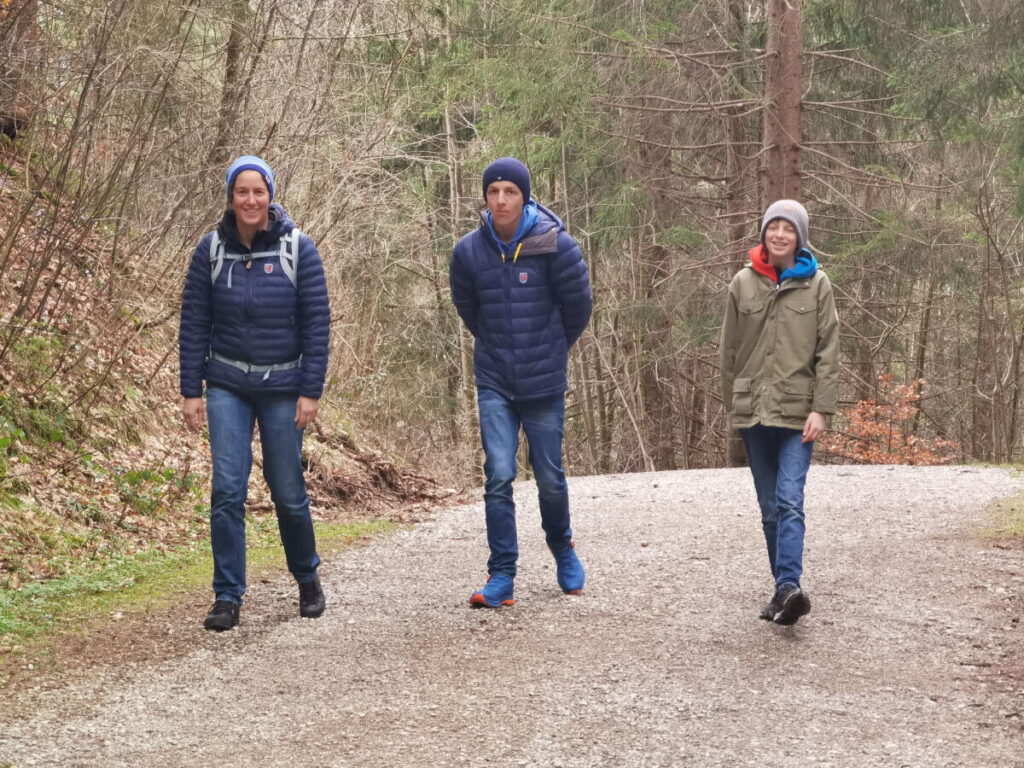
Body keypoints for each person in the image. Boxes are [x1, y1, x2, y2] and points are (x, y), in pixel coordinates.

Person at [179, 155, 331, 631]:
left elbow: (317, 323)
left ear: (270, 195)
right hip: (226, 384)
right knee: (227, 489)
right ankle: (227, 595)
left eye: (258, 191)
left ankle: (307, 578)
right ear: (231, 197)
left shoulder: (297, 248)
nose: (250, 200)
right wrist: (191, 390)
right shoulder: (210, 251)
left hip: (284, 386)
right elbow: (194, 322)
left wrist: (311, 390)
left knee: (287, 491)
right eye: (241, 192)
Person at [449, 157, 593, 608]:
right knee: (498, 474)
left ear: (525, 197)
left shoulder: (557, 246)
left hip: (544, 380)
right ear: (485, 198)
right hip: (495, 379)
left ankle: (562, 548)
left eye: (510, 192)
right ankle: (501, 574)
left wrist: (550, 347)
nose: (501, 200)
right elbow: (469, 310)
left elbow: (578, 307)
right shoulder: (468, 251)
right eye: (493, 192)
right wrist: (498, 347)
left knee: (549, 477)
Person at [719, 199, 839, 626]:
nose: (780, 235)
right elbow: (728, 351)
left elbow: (828, 351)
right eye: (774, 227)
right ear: (765, 233)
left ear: (799, 237)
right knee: (770, 507)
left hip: (797, 415)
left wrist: (822, 409)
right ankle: (783, 592)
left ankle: (789, 584)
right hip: (754, 412)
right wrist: (732, 403)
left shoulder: (818, 284)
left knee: (790, 501)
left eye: (789, 228)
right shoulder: (742, 283)